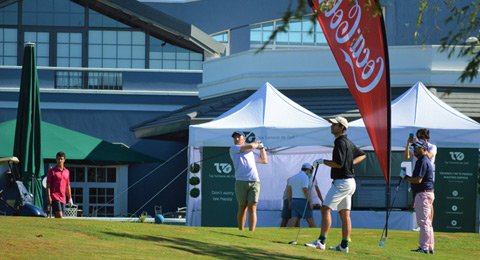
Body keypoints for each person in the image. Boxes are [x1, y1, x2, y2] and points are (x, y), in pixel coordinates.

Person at [305, 117, 366, 253]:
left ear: (342, 127)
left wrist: (322, 161)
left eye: (335, 124)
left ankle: (321, 241)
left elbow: (338, 163)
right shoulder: (348, 142)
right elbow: (362, 155)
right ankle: (344, 246)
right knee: (345, 214)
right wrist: (350, 164)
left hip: (342, 182)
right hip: (349, 182)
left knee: (325, 209)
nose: (331, 126)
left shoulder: (340, 142)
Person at [400, 140, 435, 254]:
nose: (414, 149)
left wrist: (405, 177)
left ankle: (424, 247)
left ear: (424, 149)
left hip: (423, 193)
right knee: (427, 222)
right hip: (426, 193)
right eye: (414, 147)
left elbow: (418, 180)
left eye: (417, 147)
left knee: (423, 222)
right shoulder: (424, 160)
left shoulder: (422, 161)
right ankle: (429, 247)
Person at [230, 131, 268, 231]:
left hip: (255, 181)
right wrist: (257, 143)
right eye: (235, 138)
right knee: (242, 207)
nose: (236, 139)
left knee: (252, 207)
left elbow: (264, 160)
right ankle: (241, 231)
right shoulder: (234, 148)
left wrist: (262, 148)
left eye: (239, 137)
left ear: (244, 139)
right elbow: (251, 146)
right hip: (241, 181)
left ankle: (251, 232)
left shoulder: (250, 153)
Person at [404, 128, 437, 219]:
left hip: (427, 176)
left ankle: (429, 223)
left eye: (422, 137)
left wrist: (420, 145)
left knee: (428, 202)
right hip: (417, 173)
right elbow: (406, 157)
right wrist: (408, 144)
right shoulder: (416, 147)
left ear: (427, 138)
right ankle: (420, 222)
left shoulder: (432, 146)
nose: (420, 138)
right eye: (418, 136)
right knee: (417, 200)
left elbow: (427, 156)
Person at [287, 163, 316, 228]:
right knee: (310, 219)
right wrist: (310, 202)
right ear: (308, 170)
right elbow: (305, 190)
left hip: (294, 200)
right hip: (303, 201)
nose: (310, 173)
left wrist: (289, 202)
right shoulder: (305, 177)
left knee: (294, 219)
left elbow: (288, 191)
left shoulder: (293, 177)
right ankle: (315, 235)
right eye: (311, 171)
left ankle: (289, 235)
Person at [46, 151, 73, 218]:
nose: (59, 160)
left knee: (59, 217)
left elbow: (68, 186)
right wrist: (49, 196)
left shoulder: (67, 172)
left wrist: (70, 198)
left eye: (61, 159)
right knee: (59, 216)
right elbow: (48, 185)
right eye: (58, 159)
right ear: (56, 159)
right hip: (55, 196)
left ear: (64, 160)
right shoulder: (52, 171)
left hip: (63, 197)